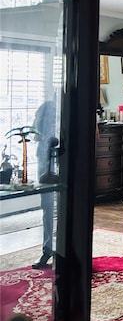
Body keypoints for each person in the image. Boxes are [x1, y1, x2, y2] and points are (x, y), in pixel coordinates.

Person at [32, 99, 58, 269]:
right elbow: (36, 135)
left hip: (68, 158)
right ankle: (48, 249)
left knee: (67, 207)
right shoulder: (46, 109)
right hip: (46, 158)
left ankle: (63, 249)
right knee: (47, 206)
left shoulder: (77, 108)